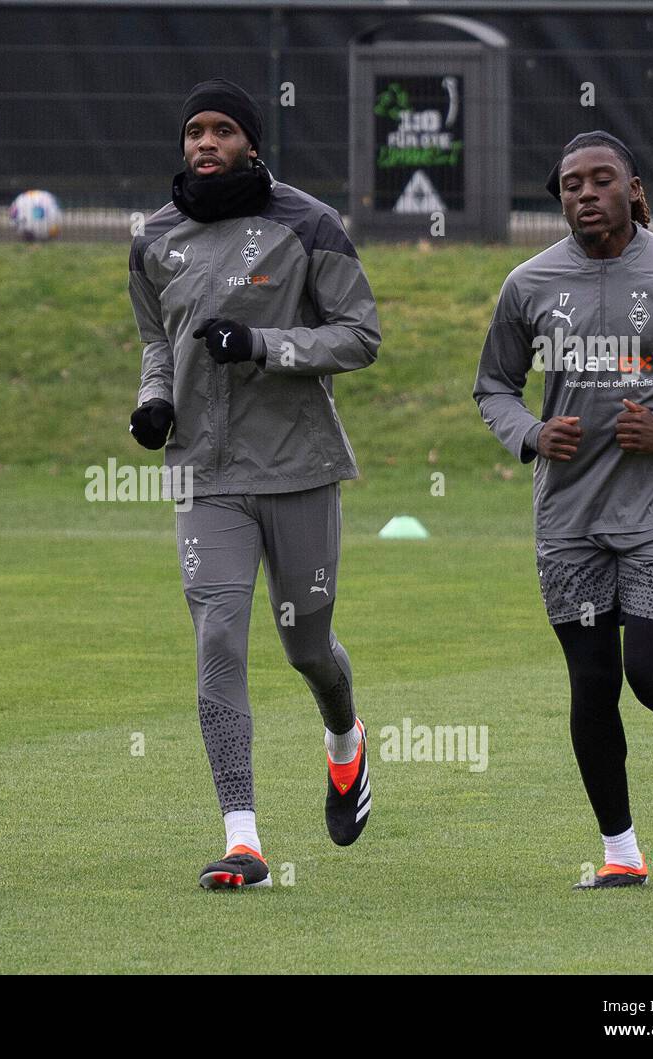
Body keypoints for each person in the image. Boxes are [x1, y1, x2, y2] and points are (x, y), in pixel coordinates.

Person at [474, 131, 653, 889]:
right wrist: (532, 434)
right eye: (571, 184)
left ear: (634, 190)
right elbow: (493, 388)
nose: (586, 194)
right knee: (593, 684)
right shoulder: (528, 284)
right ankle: (621, 853)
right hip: (568, 522)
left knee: (651, 669)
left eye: (602, 180)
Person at [127, 78, 382, 890]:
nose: (205, 142)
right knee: (217, 638)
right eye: (194, 130)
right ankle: (244, 840)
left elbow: (359, 337)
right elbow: (157, 343)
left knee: (308, 646)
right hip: (206, 474)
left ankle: (344, 739)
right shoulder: (155, 238)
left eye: (223, 130)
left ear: (253, 144)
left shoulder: (309, 225)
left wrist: (266, 345)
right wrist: (153, 403)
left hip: (300, 468)